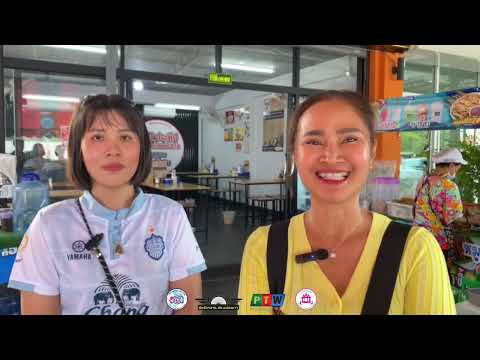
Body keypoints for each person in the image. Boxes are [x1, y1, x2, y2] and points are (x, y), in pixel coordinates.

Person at [238, 90, 455, 315]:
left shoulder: (416, 250)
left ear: (371, 152)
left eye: (350, 139)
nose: (331, 156)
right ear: (295, 155)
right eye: (313, 141)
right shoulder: (265, 247)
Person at [8, 94, 206, 315]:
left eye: (125, 137)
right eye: (98, 138)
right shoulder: (49, 225)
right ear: (78, 150)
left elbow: (186, 306)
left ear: (142, 149)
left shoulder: (171, 216)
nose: (113, 150)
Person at [413, 147, 467, 262]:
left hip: (416, 237)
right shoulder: (449, 186)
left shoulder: (423, 180)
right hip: (435, 241)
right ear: (452, 166)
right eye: (457, 168)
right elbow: (454, 218)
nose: (457, 172)